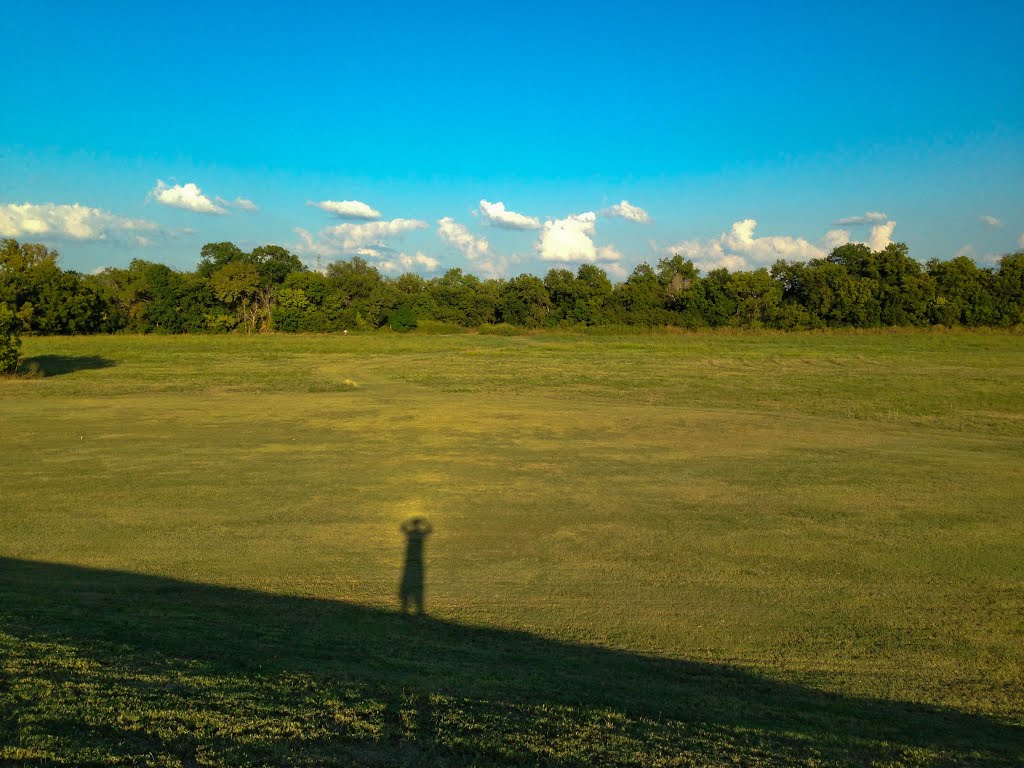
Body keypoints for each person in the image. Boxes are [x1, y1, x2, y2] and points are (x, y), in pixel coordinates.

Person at [399, 517, 432, 614]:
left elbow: (402, 527)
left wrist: (409, 522)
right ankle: (418, 609)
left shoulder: (411, 533)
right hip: (417, 562)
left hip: (410, 562)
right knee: (417, 584)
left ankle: (405, 607)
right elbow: (429, 529)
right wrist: (424, 522)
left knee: (408, 582)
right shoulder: (420, 534)